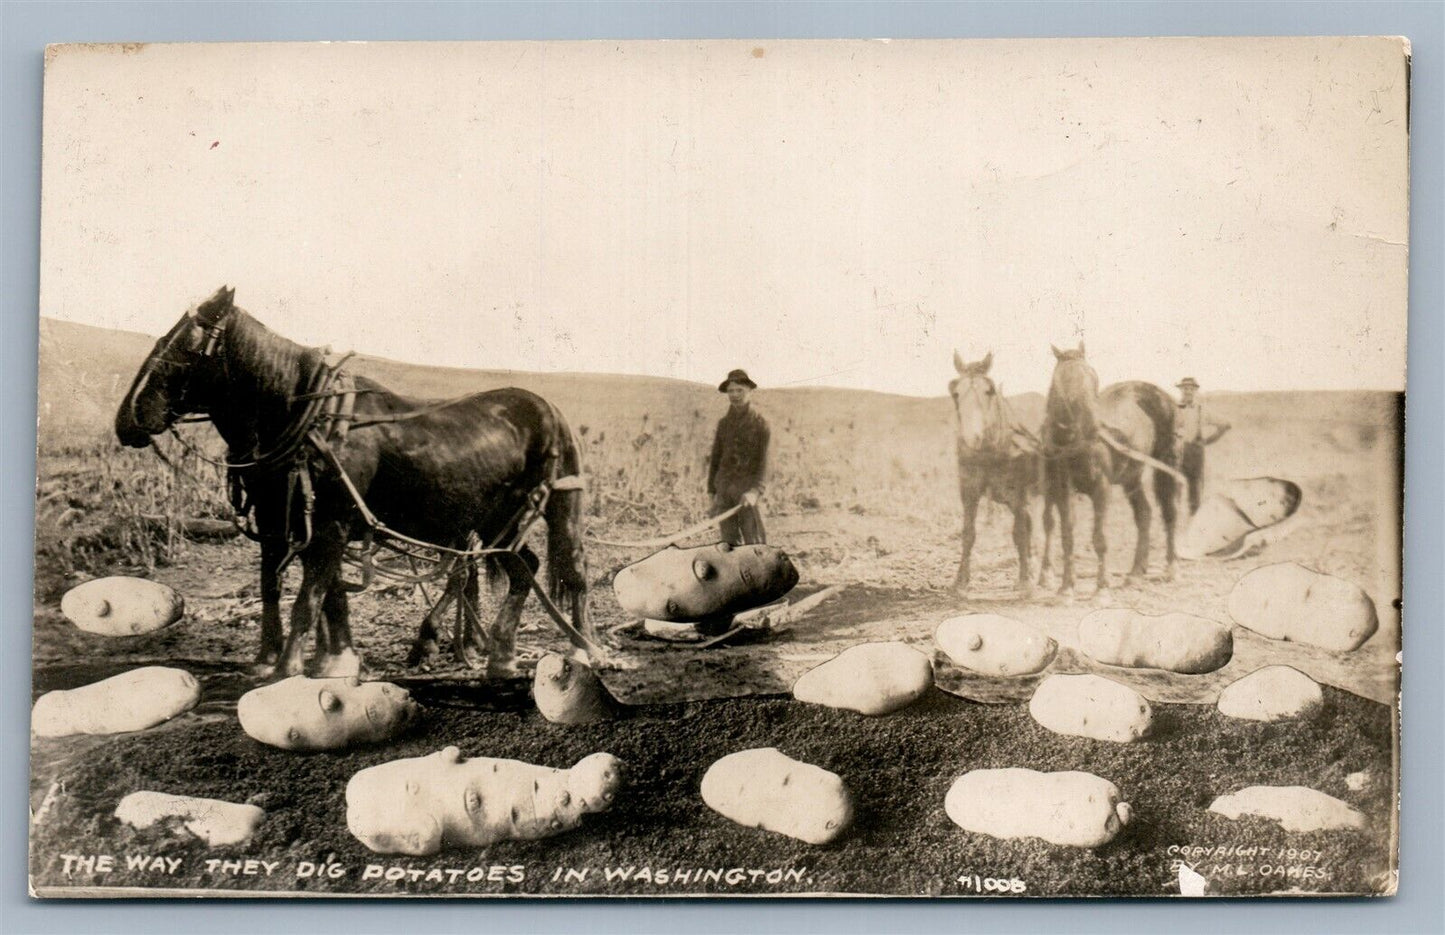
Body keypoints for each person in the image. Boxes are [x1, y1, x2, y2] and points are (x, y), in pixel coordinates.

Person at [707, 369, 771, 545]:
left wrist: (754, 491)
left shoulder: (760, 424)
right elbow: (715, 459)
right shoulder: (724, 424)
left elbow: (764, 462)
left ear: (749, 391)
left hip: (747, 493)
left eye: (739, 390)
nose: (735, 395)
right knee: (729, 544)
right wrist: (712, 493)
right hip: (725, 491)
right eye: (731, 391)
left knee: (755, 544)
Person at [1175, 377, 1231, 515]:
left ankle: (1194, 524)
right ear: (1181, 390)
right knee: (1173, 491)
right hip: (1175, 454)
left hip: (1194, 453)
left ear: (1195, 391)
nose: (1187, 391)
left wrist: (1207, 441)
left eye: (1190, 389)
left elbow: (1225, 425)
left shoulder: (1202, 410)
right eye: (1185, 388)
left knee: (1195, 493)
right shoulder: (1173, 409)